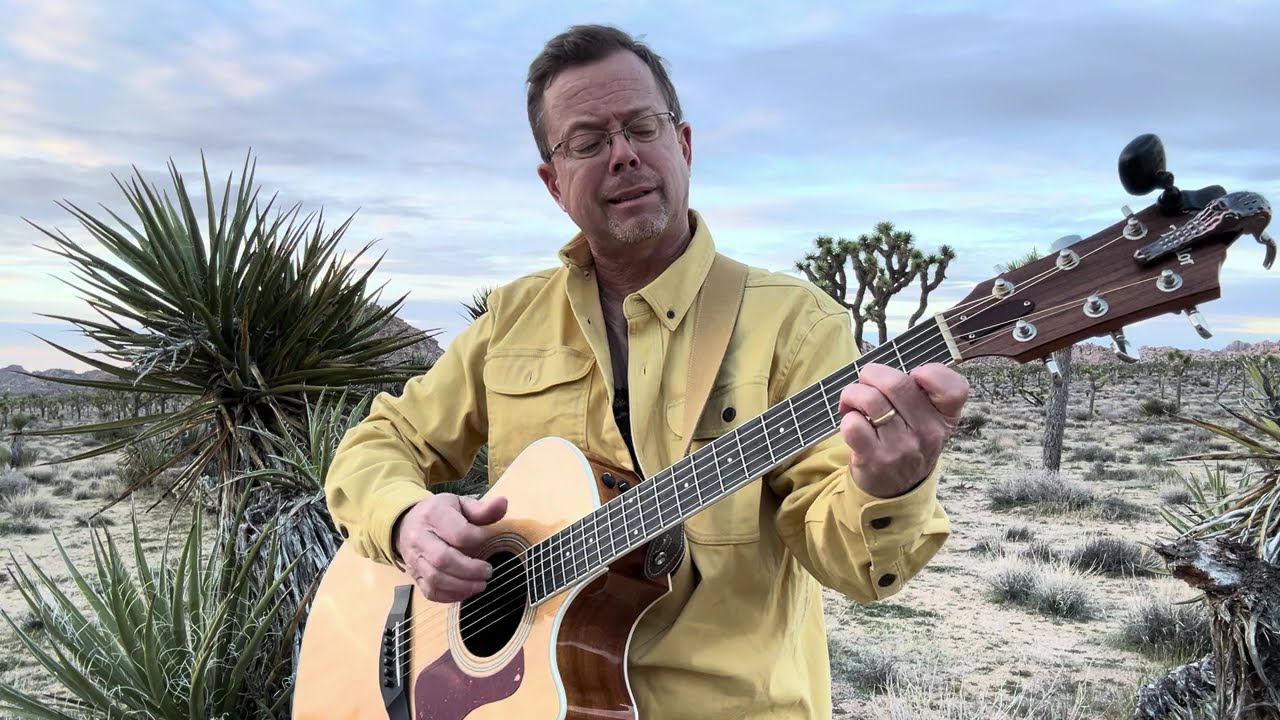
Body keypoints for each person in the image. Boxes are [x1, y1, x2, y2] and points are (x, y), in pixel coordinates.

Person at [325, 23, 968, 719]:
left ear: (682, 145)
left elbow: (853, 566)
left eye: (641, 127)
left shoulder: (794, 325)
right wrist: (404, 520)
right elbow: (379, 443)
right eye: (588, 141)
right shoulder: (510, 321)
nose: (624, 155)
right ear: (554, 183)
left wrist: (890, 486)